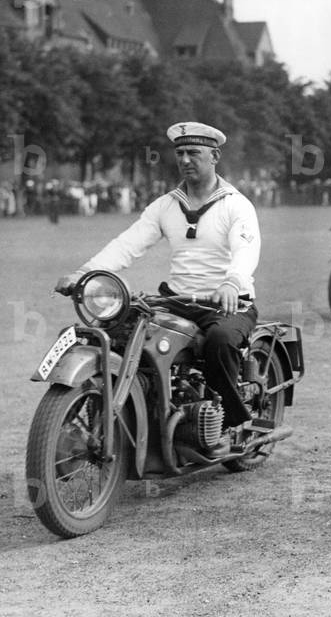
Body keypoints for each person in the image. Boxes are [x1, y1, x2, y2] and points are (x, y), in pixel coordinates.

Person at [55, 122, 262, 441]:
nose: (185, 159)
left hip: (227, 303)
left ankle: (233, 419)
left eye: (194, 152)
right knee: (110, 329)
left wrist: (232, 282)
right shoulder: (166, 205)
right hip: (176, 300)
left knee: (220, 342)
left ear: (215, 156)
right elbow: (128, 244)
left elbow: (246, 249)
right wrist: (84, 273)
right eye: (180, 153)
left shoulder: (236, 205)